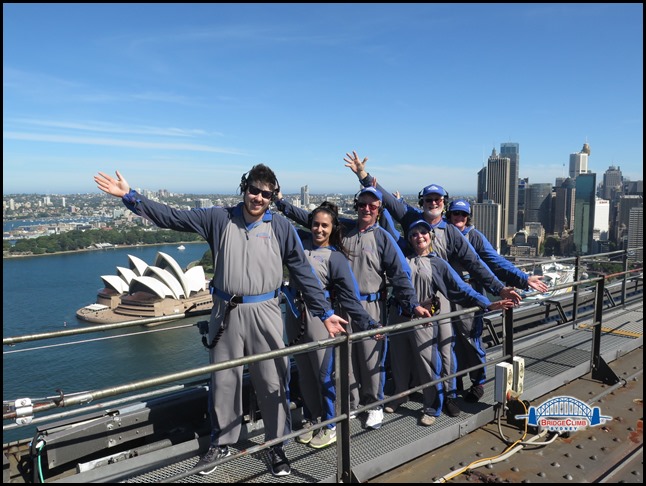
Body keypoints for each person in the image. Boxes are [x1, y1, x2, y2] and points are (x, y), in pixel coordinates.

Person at [94, 165, 348, 478]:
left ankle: (275, 445)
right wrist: (131, 197)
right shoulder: (219, 218)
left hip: (266, 311)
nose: (258, 198)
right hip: (226, 312)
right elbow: (173, 217)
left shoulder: (281, 226)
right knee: (224, 381)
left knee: (273, 380)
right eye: (253, 190)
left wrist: (325, 312)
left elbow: (303, 272)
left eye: (265, 194)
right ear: (244, 188)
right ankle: (221, 443)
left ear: (272, 197)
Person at [344, 151, 521, 417]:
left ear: (443, 203)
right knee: (407, 348)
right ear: (422, 203)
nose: (433, 203)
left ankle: (447, 395)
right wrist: (364, 177)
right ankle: (407, 391)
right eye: (429, 199)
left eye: (438, 199)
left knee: (445, 347)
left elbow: (476, 263)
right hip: (412, 298)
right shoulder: (411, 219)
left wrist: (498, 289)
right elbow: (386, 202)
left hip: (443, 295)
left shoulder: (450, 231)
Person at [275, 186, 431, 431]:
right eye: (362, 204)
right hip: (342, 307)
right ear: (356, 206)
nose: (366, 209)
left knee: (371, 359)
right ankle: (352, 404)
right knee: (345, 361)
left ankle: (375, 405)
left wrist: (413, 305)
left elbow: (400, 275)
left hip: (371, 305)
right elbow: (312, 219)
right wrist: (281, 203)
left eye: (372, 206)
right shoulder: (345, 229)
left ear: (379, 210)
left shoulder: (382, 238)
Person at [387, 219, 515, 425]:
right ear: (408, 239)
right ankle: (400, 395)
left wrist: (487, 303)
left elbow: (460, 287)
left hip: (423, 317)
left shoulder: (437, 263)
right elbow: (388, 227)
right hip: (398, 314)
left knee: (428, 362)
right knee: (399, 359)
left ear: (431, 237)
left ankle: (432, 407)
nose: (419, 237)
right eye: (414, 234)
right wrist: (380, 204)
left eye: (423, 232)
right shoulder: (403, 258)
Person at [280, 199, 380, 449]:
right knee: (304, 371)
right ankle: (312, 418)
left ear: (332, 228)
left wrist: (368, 323)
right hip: (294, 313)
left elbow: (350, 296)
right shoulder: (300, 244)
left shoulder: (336, 258)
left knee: (323, 373)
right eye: (315, 224)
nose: (319, 229)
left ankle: (331, 423)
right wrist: (280, 203)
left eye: (324, 226)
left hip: (320, 317)